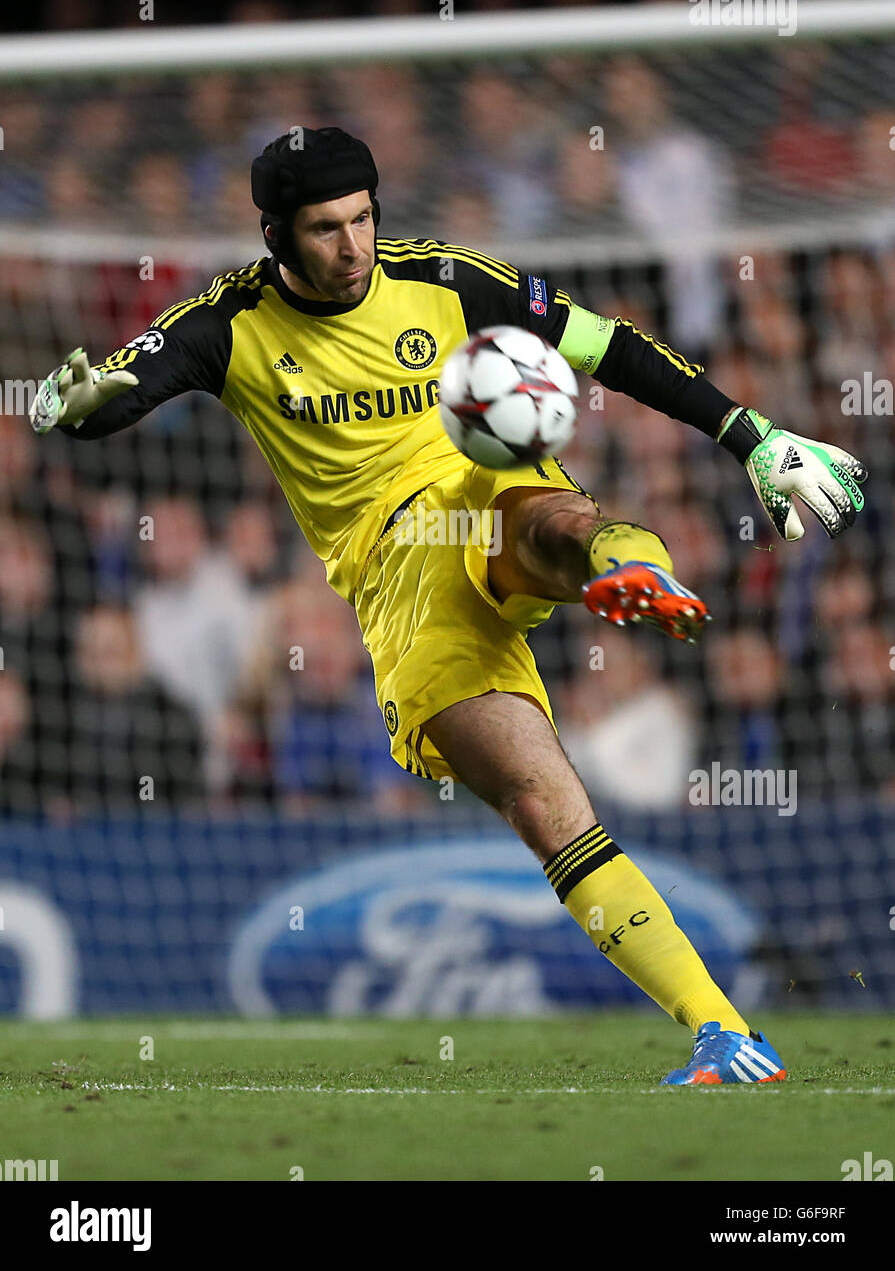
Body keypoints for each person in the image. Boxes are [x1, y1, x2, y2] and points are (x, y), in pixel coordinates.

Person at [30, 126, 868, 1084]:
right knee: (546, 808)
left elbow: (606, 346)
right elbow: (120, 395)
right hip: (398, 588)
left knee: (535, 505)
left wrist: (748, 434)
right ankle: (725, 1033)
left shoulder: (448, 279)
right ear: (275, 236)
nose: (351, 247)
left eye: (362, 220)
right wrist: (80, 404)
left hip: (474, 491)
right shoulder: (228, 325)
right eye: (324, 231)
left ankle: (622, 568)